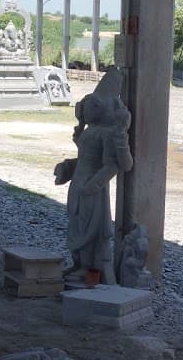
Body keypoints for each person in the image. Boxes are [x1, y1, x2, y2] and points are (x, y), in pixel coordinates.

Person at [54, 68, 133, 283]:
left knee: (91, 228)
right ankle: (79, 263)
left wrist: (93, 184)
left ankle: (90, 268)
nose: (84, 112)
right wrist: (67, 168)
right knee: (76, 223)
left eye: (89, 108)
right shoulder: (90, 131)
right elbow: (83, 159)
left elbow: (115, 165)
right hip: (79, 184)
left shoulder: (108, 134)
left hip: (91, 188)